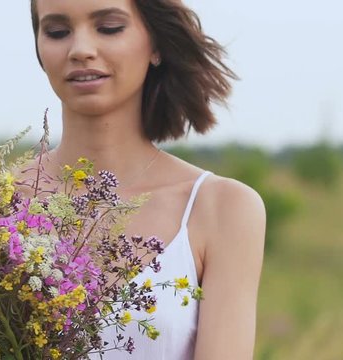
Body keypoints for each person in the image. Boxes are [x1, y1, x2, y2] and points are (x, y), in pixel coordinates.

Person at [27, 1, 266, 359]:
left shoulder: (221, 208)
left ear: (155, 44)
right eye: (58, 32)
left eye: (109, 28)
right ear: (40, 49)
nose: (80, 50)